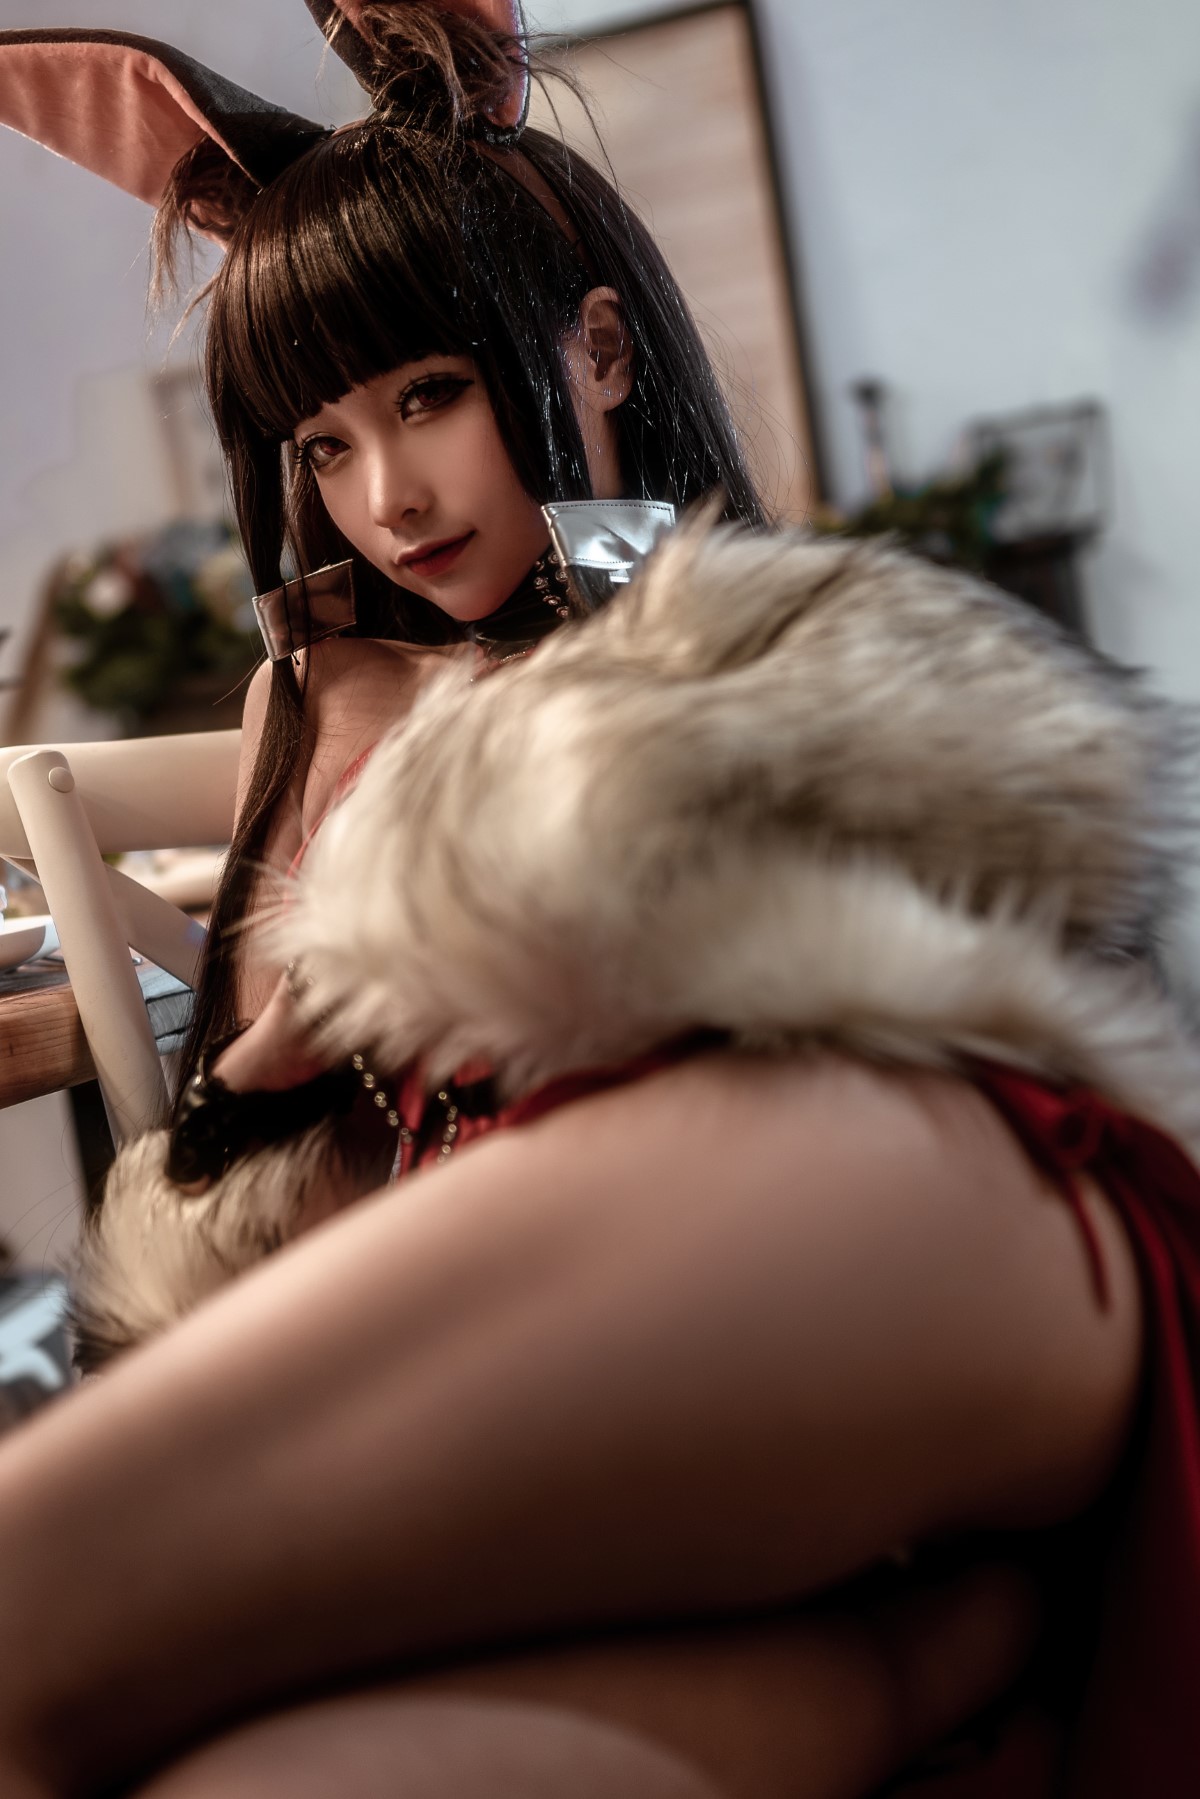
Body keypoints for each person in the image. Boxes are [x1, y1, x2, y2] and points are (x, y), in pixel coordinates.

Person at [2, 5, 1199, 1796]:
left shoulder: (749, 631)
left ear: (605, 349)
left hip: (915, 1183)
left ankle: (942, 1648)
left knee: (36, 1605)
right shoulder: (326, 699)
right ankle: (936, 1657)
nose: (389, 497)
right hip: (623, 1294)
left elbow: (975, 931)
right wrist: (260, 1030)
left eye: (430, 394)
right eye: (324, 444)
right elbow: (265, 1113)